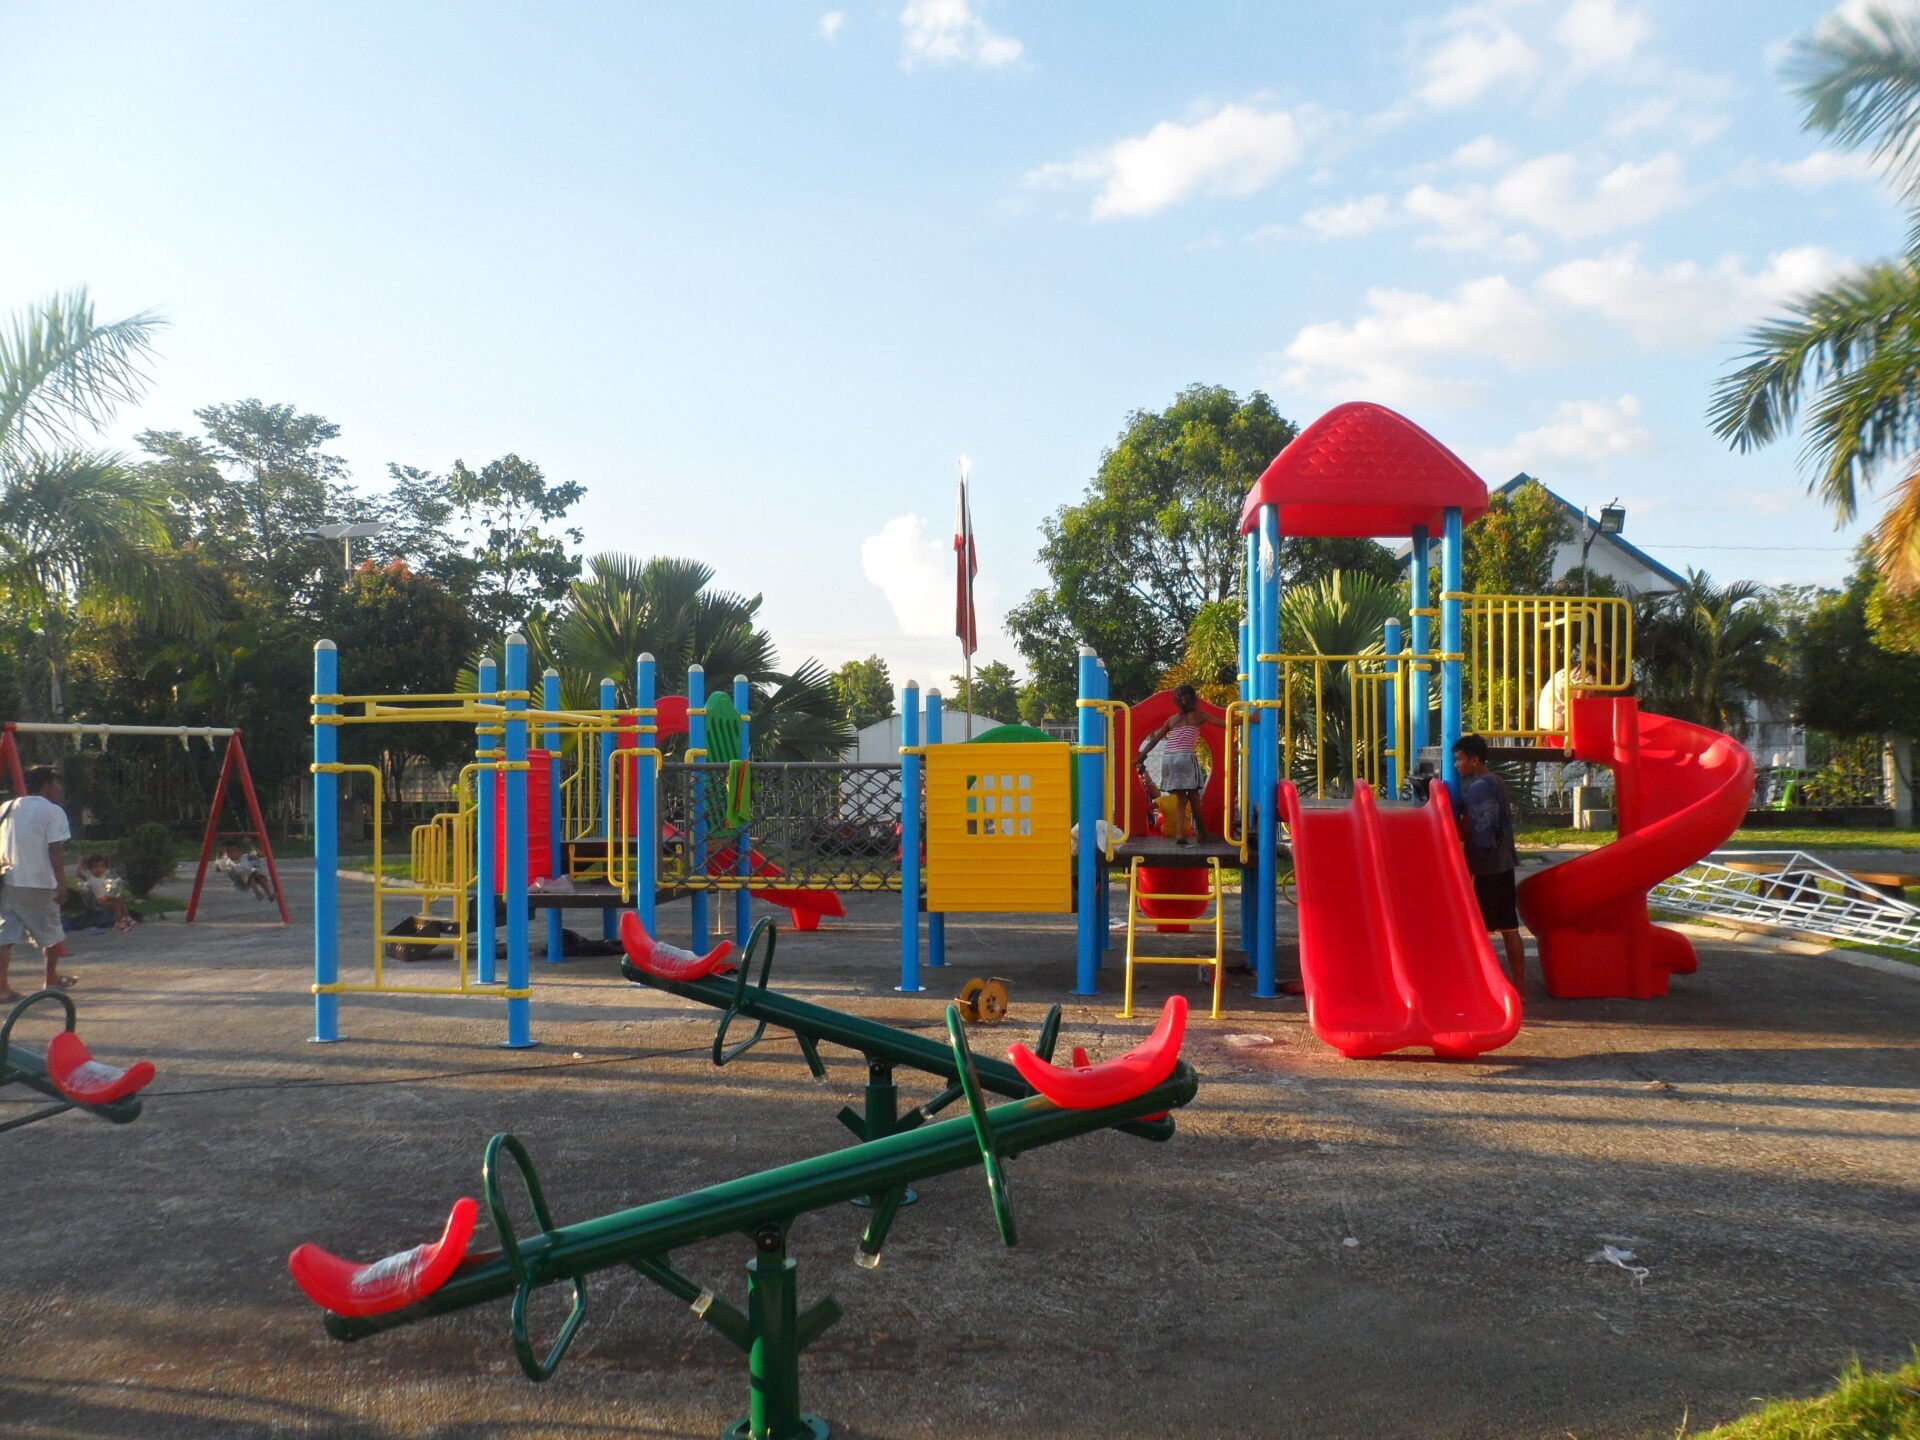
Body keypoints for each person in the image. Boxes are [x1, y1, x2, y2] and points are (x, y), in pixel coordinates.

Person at [1443, 735, 1526, 988]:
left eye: (1459, 759)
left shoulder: (1478, 788)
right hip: (1505, 862)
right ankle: (1519, 986)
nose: (1456, 765)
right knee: (1509, 927)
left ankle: (1484, 985)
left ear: (1474, 760)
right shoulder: (1497, 782)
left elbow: (1482, 830)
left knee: (1478, 931)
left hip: (1486, 867)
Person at [0, 766, 77, 1002]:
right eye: (56, 783)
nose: (59, 788)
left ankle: (2, 987)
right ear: (46, 785)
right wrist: (61, 885)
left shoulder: (6, 807)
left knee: (5, 936)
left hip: (9, 881)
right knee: (51, 934)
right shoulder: (52, 812)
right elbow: (55, 850)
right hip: (40, 883)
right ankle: (50, 980)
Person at [1135, 684, 1221, 846]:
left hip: (1168, 759)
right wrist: (1249, 719)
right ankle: (1202, 833)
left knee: (1182, 798)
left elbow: (1154, 740)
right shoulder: (1199, 715)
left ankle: (1181, 835)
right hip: (1185, 757)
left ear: (1177, 702)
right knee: (1194, 796)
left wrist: (1141, 756)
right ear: (1194, 699)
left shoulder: (1172, 719)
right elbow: (1224, 723)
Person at [76, 854, 134, 933]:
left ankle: (126, 917)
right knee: (116, 904)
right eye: (95, 867)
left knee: (119, 900)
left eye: (101, 866)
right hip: (99, 901)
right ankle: (119, 922)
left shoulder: (104, 876)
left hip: (106, 898)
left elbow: (110, 870)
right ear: (90, 869)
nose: (99, 869)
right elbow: (78, 874)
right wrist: (80, 863)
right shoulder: (91, 878)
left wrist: (109, 860)